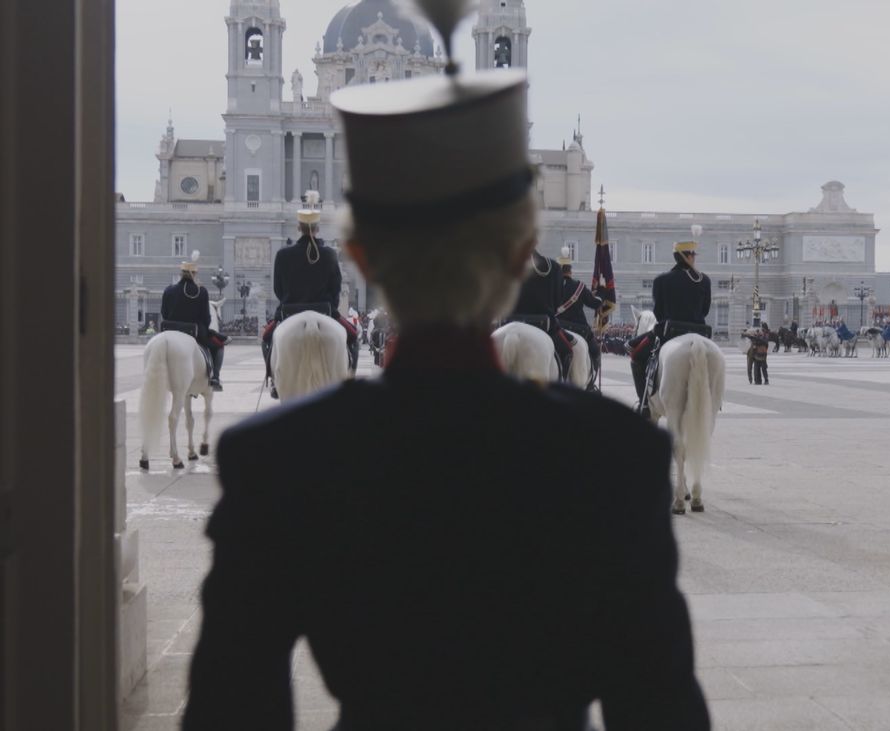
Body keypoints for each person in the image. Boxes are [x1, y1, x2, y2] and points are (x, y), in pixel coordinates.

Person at [181, 12, 710, 729]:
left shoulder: (275, 459)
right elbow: (663, 713)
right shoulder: (617, 456)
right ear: (524, 255)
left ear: (359, 257)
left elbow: (229, 712)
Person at [261, 192, 359, 397]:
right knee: (352, 338)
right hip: (324, 310)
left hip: (288, 312)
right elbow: (336, 288)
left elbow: (278, 289)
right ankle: (349, 378)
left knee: (267, 338)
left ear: (299, 228)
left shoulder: (283, 254)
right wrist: (329, 307)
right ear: (317, 228)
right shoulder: (330, 254)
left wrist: (290, 301)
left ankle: (274, 382)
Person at [631, 233, 712, 417]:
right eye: (693, 255)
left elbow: (658, 313)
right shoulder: (704, 280)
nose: (694, 259)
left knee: (634, 352)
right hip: (700, 333)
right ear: (688, 256)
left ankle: (644, 404)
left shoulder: (662, 280)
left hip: (669, 332)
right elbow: (705, 311)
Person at [504, 247, 575, 380]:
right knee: (567, 350)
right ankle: (563, 386)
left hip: (507, 322)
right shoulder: (552, 267)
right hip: (545, 325)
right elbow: (558, 301)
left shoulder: (504, 264)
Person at [160, 253, 227, 390]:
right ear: (194, 274)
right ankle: (215, 378)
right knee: (219, 346)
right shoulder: (200, 292)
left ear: (181, 273)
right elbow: (206, 318)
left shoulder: (169, 290)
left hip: (169, 331)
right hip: (194, 332)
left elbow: (164, 313)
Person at [556, 255, 604, 384]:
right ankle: (590, 381)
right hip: (579, 329)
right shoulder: (579, 287)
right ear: (570, 270)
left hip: (557, 328)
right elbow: (594, 303)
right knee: (595, 351)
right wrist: (600, 295)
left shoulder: (552, 286)